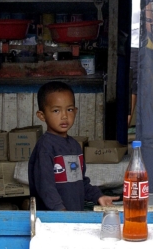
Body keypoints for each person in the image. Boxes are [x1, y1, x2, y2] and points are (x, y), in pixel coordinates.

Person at [28, 81, 120, 211]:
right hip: (52, 218)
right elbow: (45, 186)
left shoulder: (75, 146)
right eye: (56, 111)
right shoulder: (45, 147)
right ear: (42, 115)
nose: (64, 116)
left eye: (69, 109)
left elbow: (80, 182)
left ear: (75, 111)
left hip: (73, 215)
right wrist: (60, 211)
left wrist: (98, 196)